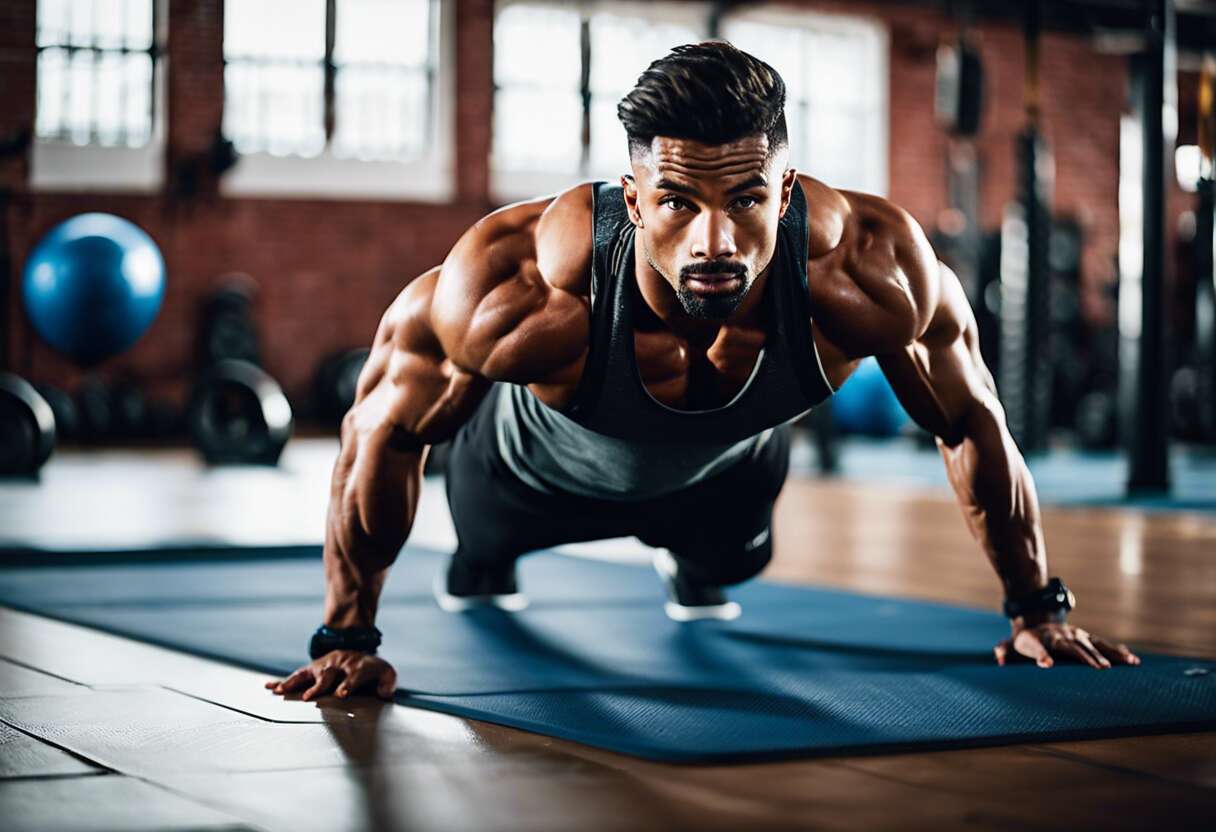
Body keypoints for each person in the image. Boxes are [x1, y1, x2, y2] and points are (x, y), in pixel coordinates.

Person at [267, 41, 1139, 703]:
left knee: (731, 559)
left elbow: (971, 422)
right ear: (633, 195)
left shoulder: (870, 270)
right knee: (482, 563)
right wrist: (345, 632)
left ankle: (689, 555)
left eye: (748, 200)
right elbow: (382, 425)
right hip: (527, 481)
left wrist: (1040, 609)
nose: (715, 242)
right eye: (679, 202)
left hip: (726, 478)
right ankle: (490, 559)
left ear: (786, 189)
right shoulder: (525, 282)